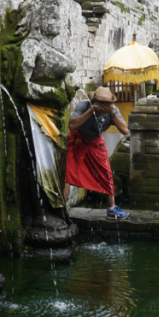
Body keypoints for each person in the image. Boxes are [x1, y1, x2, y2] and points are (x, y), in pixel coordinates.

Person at [64, 87, 131, 220]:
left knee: (107, 173)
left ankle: (111, 208)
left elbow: (125, 130)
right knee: (67, 174)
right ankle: (62, 208)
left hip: (95, 142)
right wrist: (91, 111)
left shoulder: (113, 110)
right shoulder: (84, 105)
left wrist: (112, 114)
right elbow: (71, 125)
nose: (102, 107)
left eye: (106, 104)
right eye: (99, 103)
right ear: (93, 101)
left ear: (110, 104)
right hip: (78, 140)